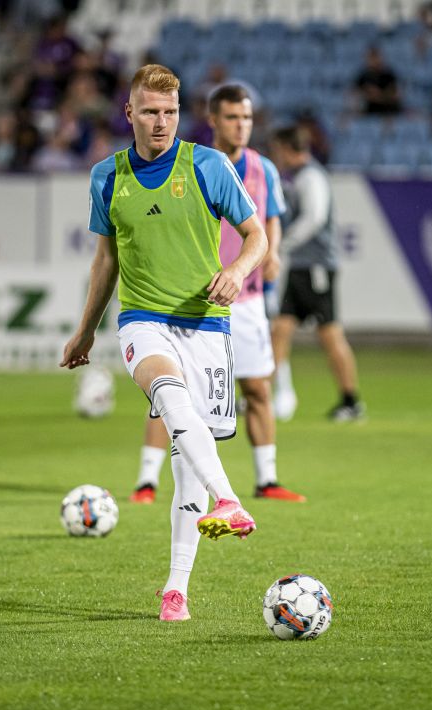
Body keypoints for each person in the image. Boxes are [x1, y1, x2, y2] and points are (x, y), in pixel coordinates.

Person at [60, 64, 269, 622]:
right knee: (166, 392)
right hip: (142, 319)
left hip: (207, 326)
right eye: (150, 112)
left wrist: (237, 271)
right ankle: (230, 498)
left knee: (186, 463)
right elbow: (106, 260)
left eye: (171, 112)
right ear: (129, 112)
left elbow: (257, 236)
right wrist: (86, 329)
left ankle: (176, 589)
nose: (161, 122)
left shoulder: (207, 165)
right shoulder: (107, 176)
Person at [129, 84, 305, 506]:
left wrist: (273, 253)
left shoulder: (263, 169)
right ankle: (147, 481)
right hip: (191, 302)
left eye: (246, 118)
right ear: (213, 121)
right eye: (232, 118)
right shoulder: (193, 165)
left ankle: (267, 479)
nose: (241, 126)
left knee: (257, 388)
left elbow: (270, 220)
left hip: (244, 300)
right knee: (171, 395)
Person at [269, 125, 363, 423]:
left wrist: (281, 244)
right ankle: (261, 395)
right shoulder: (300, 176)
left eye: (278, 149)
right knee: (280, 330)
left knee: (330, 334)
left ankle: (351, 400)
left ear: (287, 148)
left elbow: (314, 218)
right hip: (302, 266)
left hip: (316, 267)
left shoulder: (311, 176)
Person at [353, 47, 401, 116]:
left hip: (387, 110)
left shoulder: (389, 75)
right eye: (371, 58)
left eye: (376, 57)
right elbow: (355, 95)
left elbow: (395, 95)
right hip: (368, 111)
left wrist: (377, 95)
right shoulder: (362, 76)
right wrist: (368, 94)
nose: (374, 61)